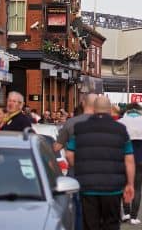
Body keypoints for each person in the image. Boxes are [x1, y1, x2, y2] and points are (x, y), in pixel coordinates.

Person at [66, 96, 135, 230]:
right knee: (112, 223)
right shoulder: (120, 130)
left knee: (90, 225)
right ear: (110, 109)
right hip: (113, 188)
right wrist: (130, 184)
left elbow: (69, 154)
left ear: (93, 109)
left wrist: (81, 169)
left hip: (88, 187)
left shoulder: (80, 128)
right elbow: (129, 159)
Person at [55, 93, 97, 230]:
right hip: (99, 175)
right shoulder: (105, 123)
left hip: (76, 173)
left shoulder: (71, 123)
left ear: (83, 103)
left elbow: (57, 147)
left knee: (78, 210)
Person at [118, 103, 142, 225]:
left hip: (123, 158)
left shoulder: (120, 122)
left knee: (124, 185)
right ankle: (134, 216)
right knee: (137, 188)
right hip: (139, 157)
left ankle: (126, 213)